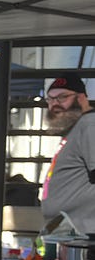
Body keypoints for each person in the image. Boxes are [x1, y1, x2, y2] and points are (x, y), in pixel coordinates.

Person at [41, 73, 95, 231]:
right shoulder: (78, 127)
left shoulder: (90, 124)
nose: (54, 104)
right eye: (50, 99)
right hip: (71, 231)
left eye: (62, 97)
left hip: (85, 233)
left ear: (82, 98)